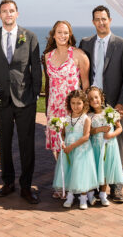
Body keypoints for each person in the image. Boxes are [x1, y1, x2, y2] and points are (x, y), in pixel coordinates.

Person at [0, 0, 42, 204]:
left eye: (11, 11)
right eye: (4, 11)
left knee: (27, 145)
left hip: (25, 100)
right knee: (4, 144)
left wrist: (35, 94)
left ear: (17, 13)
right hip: (0, 99)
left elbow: (36, 68)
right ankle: (8, 183)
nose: (8, 14)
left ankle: (26, 187)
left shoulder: (30, 37)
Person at [79, 5, 123, 203]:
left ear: (110, 20)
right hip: (90, 105)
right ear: (93, 22)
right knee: (92, 144)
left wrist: (122, 105)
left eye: (104, 19)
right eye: (97, 19)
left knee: (115, 144)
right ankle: (95, 185)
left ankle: (116, 187)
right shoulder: (85, 43)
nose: (101, 22)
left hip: (114, 106)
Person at [42, 21, 90, 199]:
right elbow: (49, 84)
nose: (63, 36)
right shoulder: (47, 56)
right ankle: (63, 182)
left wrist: (82, 111)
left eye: (66, 33)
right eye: (59, 32)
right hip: (54, 107)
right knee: (57, 146)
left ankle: (74, 184)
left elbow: (85, 85)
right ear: (53, 35)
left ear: (70, 35)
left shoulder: (79, 55)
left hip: (73, 109)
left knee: (72, 145)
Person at [52, 90, 98, 210]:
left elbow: (86, 136)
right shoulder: (66, 118)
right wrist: (62, 142)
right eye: (73, 103)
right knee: (70, 172)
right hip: (68, 150)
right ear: (69, 104)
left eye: (79, 103)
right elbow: (63, 134)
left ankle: (83, 198)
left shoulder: (86, 119)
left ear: (84, 104)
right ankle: (70, 197)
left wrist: (71, 146)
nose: (76, 106)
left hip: (81, 151)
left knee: (81, 173)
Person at [87, 86, 123, 206]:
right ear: (88, 102)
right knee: (96, 170)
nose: (94, 100)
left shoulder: (110, 112)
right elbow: (90, 132)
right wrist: (99, 129)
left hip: (109, 147)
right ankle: (91, 193)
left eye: (96, 97)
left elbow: (119, 128)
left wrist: (111, 134)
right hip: (96, 147)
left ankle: (103, 194)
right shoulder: (89, 116)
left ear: (102, 98)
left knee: (105, 171)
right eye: (91, 99)